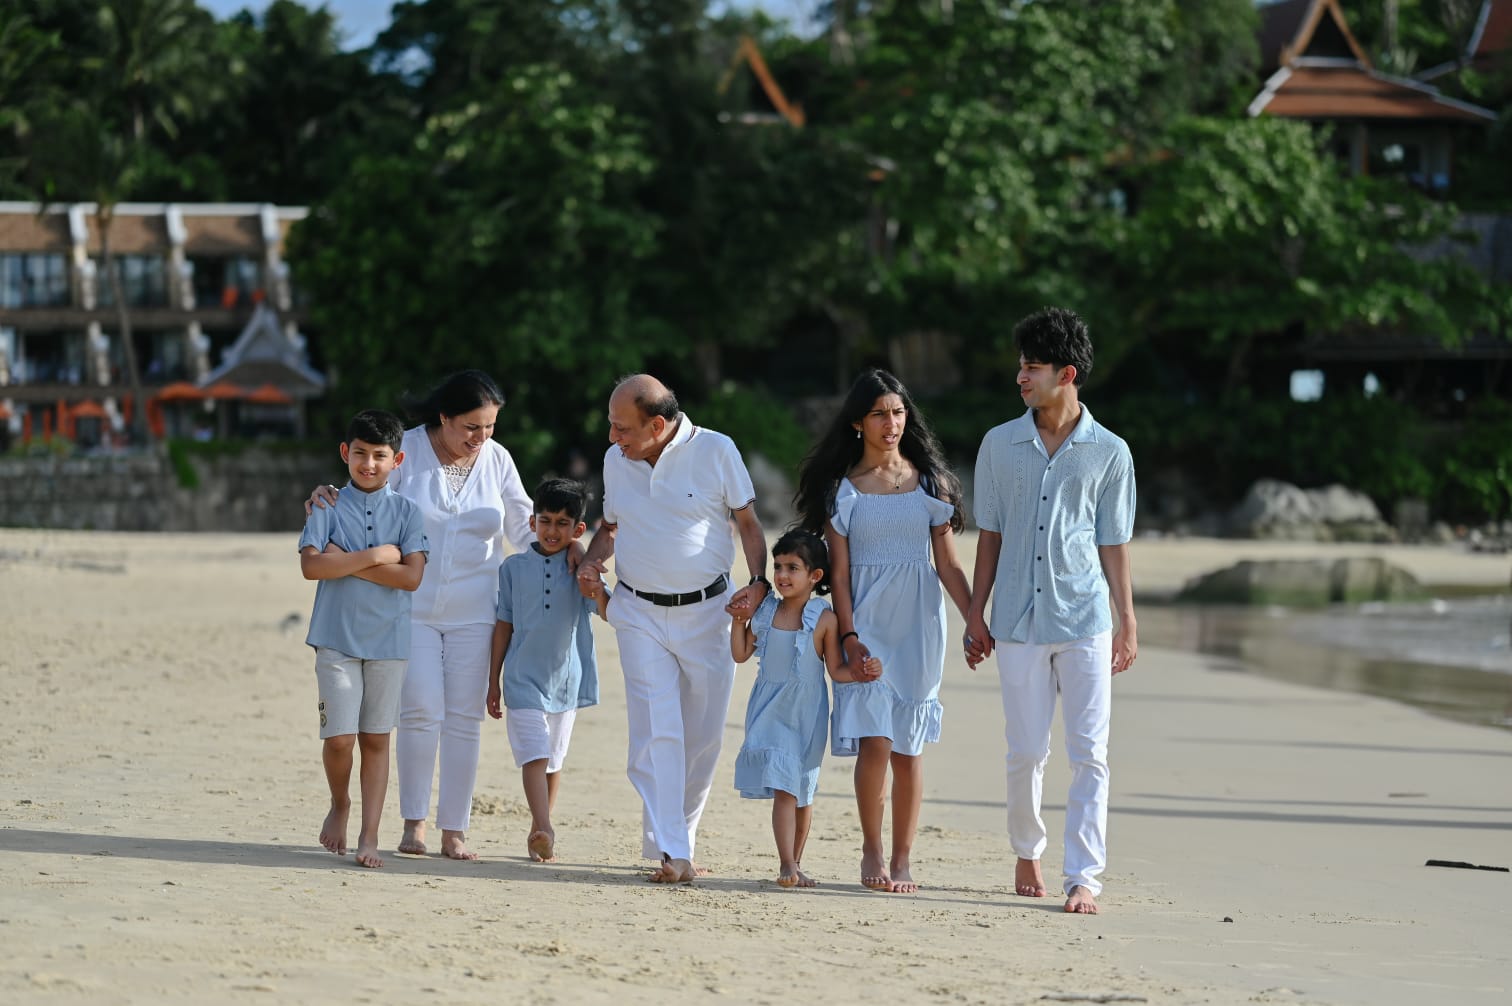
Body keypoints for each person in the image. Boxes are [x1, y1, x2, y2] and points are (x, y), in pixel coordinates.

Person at [307, 370, 552, 861]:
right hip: (408, 609)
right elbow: (366, 489)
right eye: (471, 427)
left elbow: (525, 528)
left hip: (476, 609)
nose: (480, 437)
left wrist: (565, 552)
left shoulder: (498, 459)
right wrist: (323, 496)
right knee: (419, 711)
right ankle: (413, 823)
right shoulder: (410, 451)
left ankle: (454, 829)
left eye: (489, 427)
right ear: (444, 418)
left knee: (464, 718)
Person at [963, 307, 1137, 916]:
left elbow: (1113, 542)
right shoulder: (997, 444)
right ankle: (1026, 849)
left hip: (1086, 620)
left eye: (1033, 367)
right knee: (1025, 750)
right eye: (1020, 365)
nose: (1021, 376)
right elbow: (990, 536)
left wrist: (1127, 620)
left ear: (1067, 374)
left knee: (1090, 753)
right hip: (1015, 619)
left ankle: (1084, 876)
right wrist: (975, 614)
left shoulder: (1110, 452)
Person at [575, 374, 769, 884]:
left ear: (657, 425)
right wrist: (592, 562)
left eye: (622, 428)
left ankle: (679, 836)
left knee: (702, 739)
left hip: (710, 614)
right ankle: (673, 850)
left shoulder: (717, 450)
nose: (612, 438)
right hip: (637, 612)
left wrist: (759, 584)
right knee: (656, 732)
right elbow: (610, 527)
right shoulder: (617, 460)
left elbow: (749, 524)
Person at [793, 368, 973, 893]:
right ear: (858, 423)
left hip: (919, 626)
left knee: (908, 748)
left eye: (897, 412)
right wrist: (849, 637)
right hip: (867, 625)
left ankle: (902, 859)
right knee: (876, 742)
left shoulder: (931, 483)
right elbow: (840, 575)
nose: (891, 423)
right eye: (879, 414)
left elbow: (949, 565)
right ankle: (871, 849)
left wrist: (975, 620)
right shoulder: (843, 492)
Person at [298, 410, 428, 868]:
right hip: (334, 637)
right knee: (339, 739)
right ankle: (340, 803)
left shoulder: (409, 512)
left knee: (375, 739)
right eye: (360, 454)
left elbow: (411, 578)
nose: (369, 464)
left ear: (397, 460)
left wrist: (344, 559)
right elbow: (312, 566)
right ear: (344, 453)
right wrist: (375, 556)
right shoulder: (327, 506)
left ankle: (369, 836)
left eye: (379, 455)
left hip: (389, 642)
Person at [731, 529, 876, 888]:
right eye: (778, 566)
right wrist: (738, 621)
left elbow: (836, 670)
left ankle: (796, 862)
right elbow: (741, 653)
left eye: (792, 568)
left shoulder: (824, 619)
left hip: (807, 715)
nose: (782, 575)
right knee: (784, 787)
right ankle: (786, 864)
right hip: (770, 711)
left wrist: (861, 672)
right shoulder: (765, 611)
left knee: (802, 791)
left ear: (815, 576)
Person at [485, 477, 609, 864]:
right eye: (545, 521)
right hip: (521, 679)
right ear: (532, 522)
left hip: (565, 682)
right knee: (534, 754)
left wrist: (591, 571)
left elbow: (604, 610)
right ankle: (543, 826)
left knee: (553, 761)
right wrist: (493, 681)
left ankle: (540, 829)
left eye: (562, 524)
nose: (552, 530)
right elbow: (504, 624)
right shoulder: (512, 568)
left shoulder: (580, 570)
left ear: (578, 529)